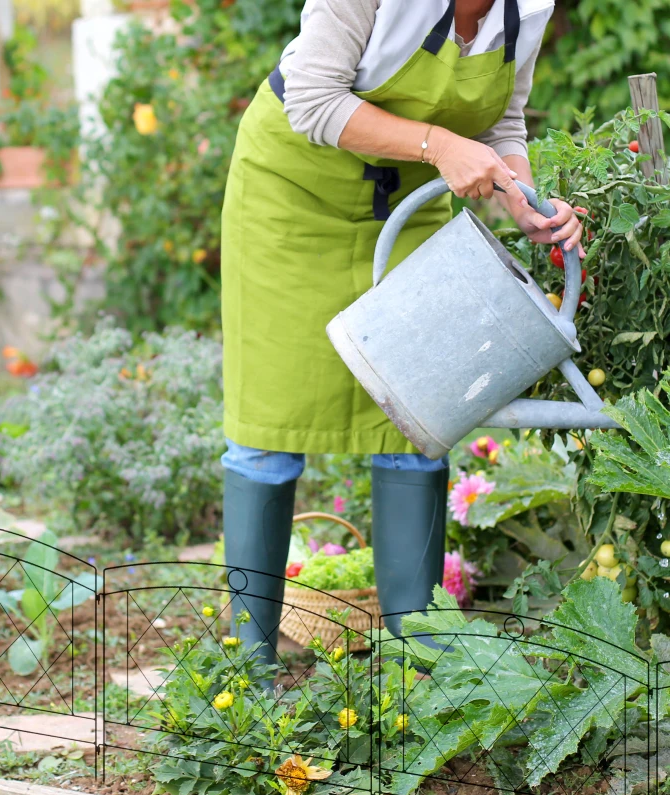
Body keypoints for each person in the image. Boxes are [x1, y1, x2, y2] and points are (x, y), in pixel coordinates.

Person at [219, 0, 585, 686]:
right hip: (290, 198)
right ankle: (248, 675)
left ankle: (417, 671)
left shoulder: (526, 7)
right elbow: (313, 101)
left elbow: (501, 121)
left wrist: (522, 200)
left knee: (422, 413)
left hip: (408, 208)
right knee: (267, 423)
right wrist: (439, 144)